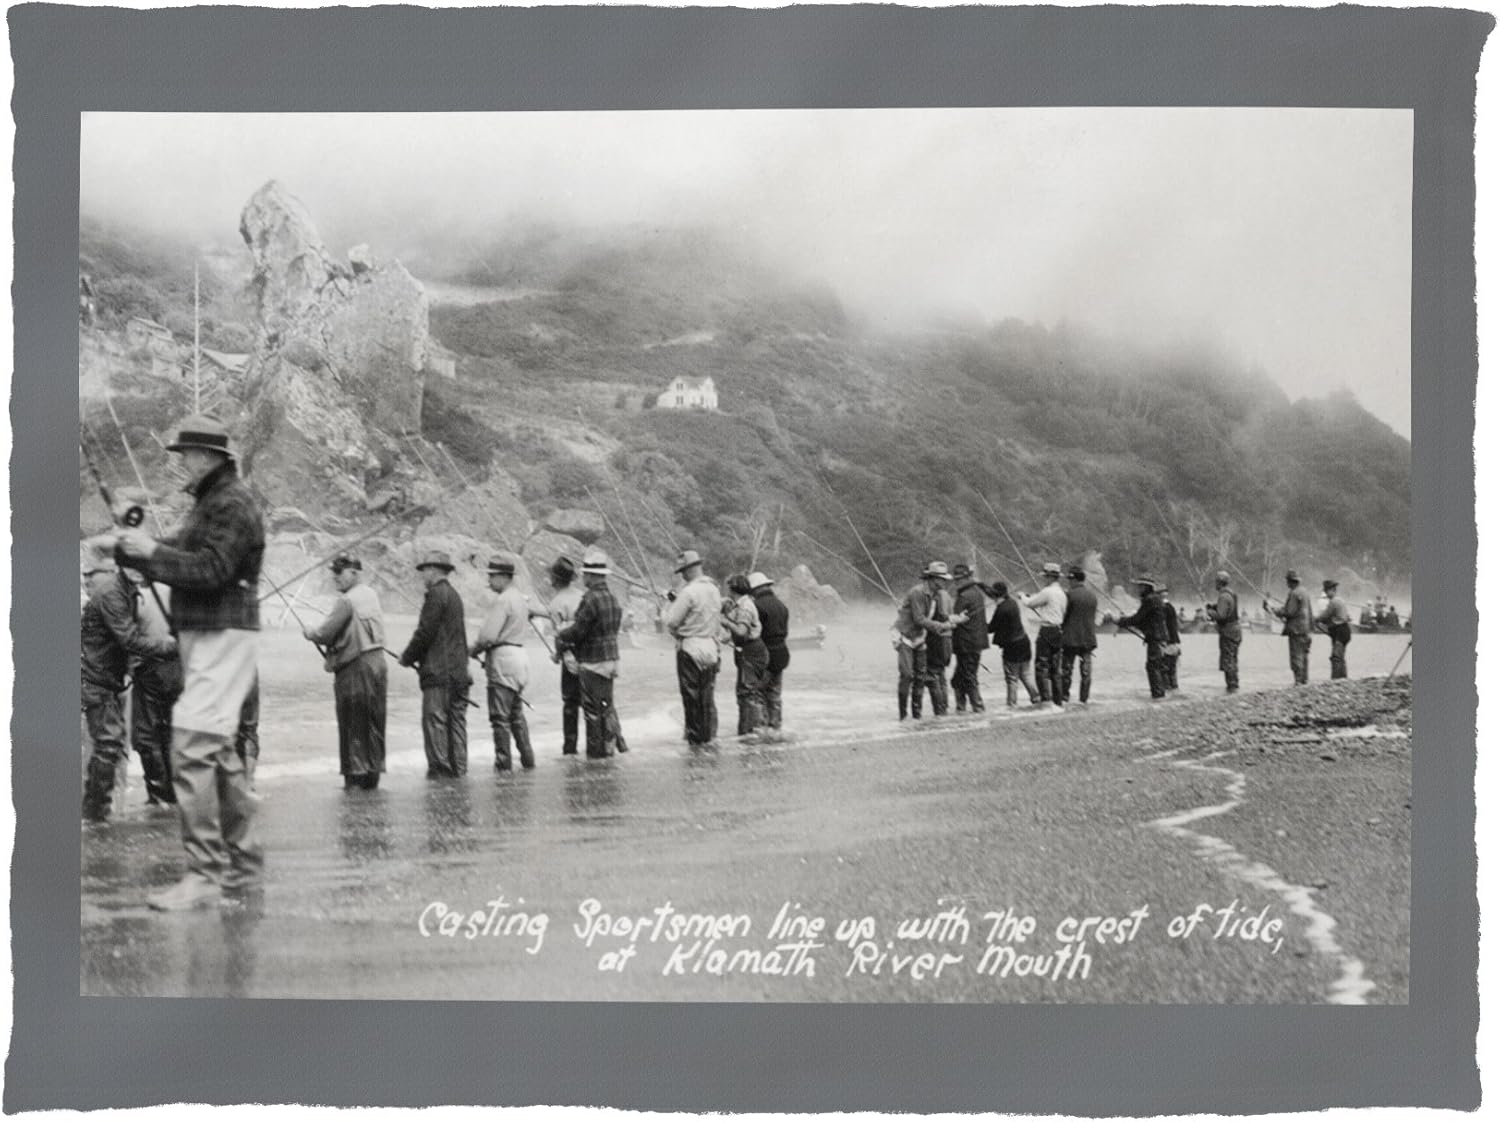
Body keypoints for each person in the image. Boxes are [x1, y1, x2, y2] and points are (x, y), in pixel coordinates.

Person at [112, 413, 265, 909]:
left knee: (192, 746)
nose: (182, 463)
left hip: (222, 634)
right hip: (211, 636)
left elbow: (212, 569)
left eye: (187, 455)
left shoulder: (232, 503)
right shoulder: (213, 504)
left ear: (208, 457)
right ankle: (242, 870)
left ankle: (205, 876)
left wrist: (149, 551)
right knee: (217, 752)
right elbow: (177, 552)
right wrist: (129, 545)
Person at [80, 554, 179, 821]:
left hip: (110, 679)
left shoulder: (128, 591)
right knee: (109, 743)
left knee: (111, 743)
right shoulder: (113, 594)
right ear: (120, 567)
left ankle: (99, 810)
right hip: (97, 679)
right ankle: (94, 814)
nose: (87, 581)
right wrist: (169, 647)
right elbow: (128, 639)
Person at [303, 552, 386, 789]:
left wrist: (309, 632)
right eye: (334, 572)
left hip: (356, 669)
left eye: (339, 572)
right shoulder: (371, 595)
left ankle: (355, 780)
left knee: (353, 724)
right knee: (374, 723)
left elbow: (324, 633)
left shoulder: (346, 601)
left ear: (354, 572)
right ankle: (372, 776)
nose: (335, 577)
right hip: (378, 665)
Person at [400, 550, 471, 777]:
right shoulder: (454, 596)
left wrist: (407, 657)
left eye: (424, 571)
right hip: (459, 673)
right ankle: (459, 773)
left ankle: (440, 774)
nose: (423, 576)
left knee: (435, 723)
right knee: (457, 724)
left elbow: (425, 633)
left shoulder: (435, 595)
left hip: (440, 675)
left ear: (432, 570)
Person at [556, 549, 627, 758]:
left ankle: (596, 756)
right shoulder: (613, 599)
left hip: (593, 661)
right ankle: (610, 750)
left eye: (585, 574)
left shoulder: (590, 599)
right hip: (611, 660)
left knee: (592, 712)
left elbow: (579, 631)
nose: (583, 578)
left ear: (592, 576)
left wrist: (561, 633)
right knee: (606, 708)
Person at [470, 556, 535, 772]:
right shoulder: (520, 599)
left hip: (503, 660)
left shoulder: (503, 600)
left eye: (492, 576)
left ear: (504, 577)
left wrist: (473, 650)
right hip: (521, 659)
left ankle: (503, 765)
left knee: (500, 718)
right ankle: (528, 760)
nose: (489, 580)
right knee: (516, 715)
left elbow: (487, 637)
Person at [662, 549, 723, 746]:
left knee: (691, 699)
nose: (682, 575)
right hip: (711, 647)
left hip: (690, 647)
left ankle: (695, 742)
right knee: (707, 699)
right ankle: (709, 738)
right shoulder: (714, 590)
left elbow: (671, 622)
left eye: (683, 571)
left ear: (688, 570)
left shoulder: (688, 592)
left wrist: (667, 605)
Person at [534, 556, 584, 755]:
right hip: (588, 654)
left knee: (570, 704)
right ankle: (616, 743)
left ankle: (570, 749)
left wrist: (557, 655)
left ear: (555, 579)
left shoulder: (557, 602)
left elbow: (560, 634)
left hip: (570, 656)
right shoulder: (581, 595)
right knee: (592, 703)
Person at [893, 561, 954, 720]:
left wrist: (952, 621)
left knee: (920, 678)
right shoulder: (917, 593)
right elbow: (919, 619)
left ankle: (917, 716)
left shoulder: (936, 595)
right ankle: (903, 716)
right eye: (942, 579)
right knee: (907, 675)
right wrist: (943, 626)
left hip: (920, 637)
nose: (945, 582)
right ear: (933, 579)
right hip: (905, 636)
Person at [723, 573, 771, 734]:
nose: (727, 591)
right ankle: (751, 729)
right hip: (751, 650)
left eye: (728, 588)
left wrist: (724, 622)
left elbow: (741, 631)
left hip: (751, 651)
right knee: (748, 692)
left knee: (747, 692)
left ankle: (751, 731)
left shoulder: (745, 606)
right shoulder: (743, 604)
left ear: (733, 589)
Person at [1108, 575, 1171, 699]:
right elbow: (1144, 620)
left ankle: (1158, 696)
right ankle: (1162, 694)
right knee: (1158, 666)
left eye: (1140, 586)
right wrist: (1125, 620)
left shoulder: (1149, 600)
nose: (1138, 589)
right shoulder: (1156, 599)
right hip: (1160, 638)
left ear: (1146, 587)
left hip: (1155, 639)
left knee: (1153, 667)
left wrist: (1118, 620)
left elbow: (1137, 619)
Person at [986, 580, 1040, 707]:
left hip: (1012, 647)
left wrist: (977, 623)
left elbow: (991, 628)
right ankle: (1036, 698)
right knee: (1026, 675)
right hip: (1024, 643)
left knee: (1012, 678)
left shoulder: (1001, 609)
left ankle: (1012, 705)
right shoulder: (1012, 602)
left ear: (995, 595)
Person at [1022, 562, 1068, 708]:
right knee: (1055, 669)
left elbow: (1030, 604)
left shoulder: (1047, 592)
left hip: (1047, 630)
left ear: (1049, 577)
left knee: (1041, 666)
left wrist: (1022, 596)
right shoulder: (1062, 593)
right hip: (1058, 631)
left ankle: (1045, 700)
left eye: (1045, 577)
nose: (1044, 579)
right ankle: (1058, 701)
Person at [748, 572, 790, 729]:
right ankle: (775, 726)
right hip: (782, 654)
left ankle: (761, 728)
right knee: (775, 694)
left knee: (758, 693)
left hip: (764, 655)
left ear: (755, 589)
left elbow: (753, 632)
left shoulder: (756, 606)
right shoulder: (781, 605)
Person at [948, 562, 989, 713]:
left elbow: (955, 618)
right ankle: (961, 709)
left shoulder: (964, 596)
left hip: (967, 643)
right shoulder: (976, 593)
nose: (956, 582)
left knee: (968, 676)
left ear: (966, 579)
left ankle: (978, 708)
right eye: (955, 580)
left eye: (958, 580)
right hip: (975, 642)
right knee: (959, 679)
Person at [1059, 565, 1099, 705]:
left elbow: (1063, 616)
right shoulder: (1092, 596)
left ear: (1074, 579)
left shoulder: (1069, 595)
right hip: (1088, 639)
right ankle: (1084, 699)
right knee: (1086, 672)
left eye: (1070, 580)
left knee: (1066, 670)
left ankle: (1064, 697)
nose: (1069, 582)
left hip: (1070, 639)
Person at [1267, 569, 1315, 685]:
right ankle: (1304, 680)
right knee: (1304, 656)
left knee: (1296, 656)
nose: (1286, 583)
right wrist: (1311, 628)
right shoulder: (1304, 592)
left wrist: (1274, 609)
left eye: (1287, 581)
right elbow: (1310, 611)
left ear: (1290, 581)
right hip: (1306, 630)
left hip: (1296, 630)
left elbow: (1289, 612)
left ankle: (1298, 681)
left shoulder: (1294, 593)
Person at [1204, 570, 1242, 693]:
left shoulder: (1223, 596)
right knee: (1233, 659)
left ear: (1219, 583)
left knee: (1228, 660)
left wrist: (1210, 612)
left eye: (1216, 582)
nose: (1215, 584)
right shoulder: (1231, 594)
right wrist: (1214, 607)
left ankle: (1231, 687)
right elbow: (1228, 610)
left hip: (1228, 632)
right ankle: (1234, 685)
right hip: (1235, 631)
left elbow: (1221, 616)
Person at [1315, 578, 1353, 680]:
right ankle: (1343, 678)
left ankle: (1336, 679)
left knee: (1336, 657)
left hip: (1340, 632)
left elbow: (1325, 616)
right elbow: (1348, 617)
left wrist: (1315, 619)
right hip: (1344, 631)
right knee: (1340, 657)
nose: (1326, 593)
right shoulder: (1340, 600)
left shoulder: (1333, 602)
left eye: (1327, 591)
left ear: (1332, 590)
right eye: (1325, 591)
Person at [1159, 583, 1182, 692]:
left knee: (1164, 673)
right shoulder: (1171, 607)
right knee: (1172, 673)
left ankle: (1168, 695)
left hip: (1166, 645)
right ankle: (1174, 694)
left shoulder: (1162, 608)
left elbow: (1162, 625)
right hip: (1174, 644)